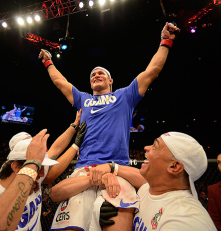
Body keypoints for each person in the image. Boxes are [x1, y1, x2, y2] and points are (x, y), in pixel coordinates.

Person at [39, 22, 180, 231]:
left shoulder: (124, 96)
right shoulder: (83, 100)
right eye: (92, 75)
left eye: (100, 74)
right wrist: (48, 62)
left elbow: (152, 71)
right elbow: (61, 83)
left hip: (117, 169)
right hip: (83, 170)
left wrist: (165, 42)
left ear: (110, 80)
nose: (95, 75)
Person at [51, 132, 217, 231]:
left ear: (174, 166)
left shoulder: (186, 219)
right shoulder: (148, 189)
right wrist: (109, 168)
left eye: (155, 146)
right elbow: (55, 192)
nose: (146, 148)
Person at [0, 111, 88, 231]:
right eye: (38, 166)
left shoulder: (33, 178)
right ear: (17, 166)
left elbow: (55, 150)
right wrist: (32, 167)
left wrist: (74, 127)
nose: (42, 173)